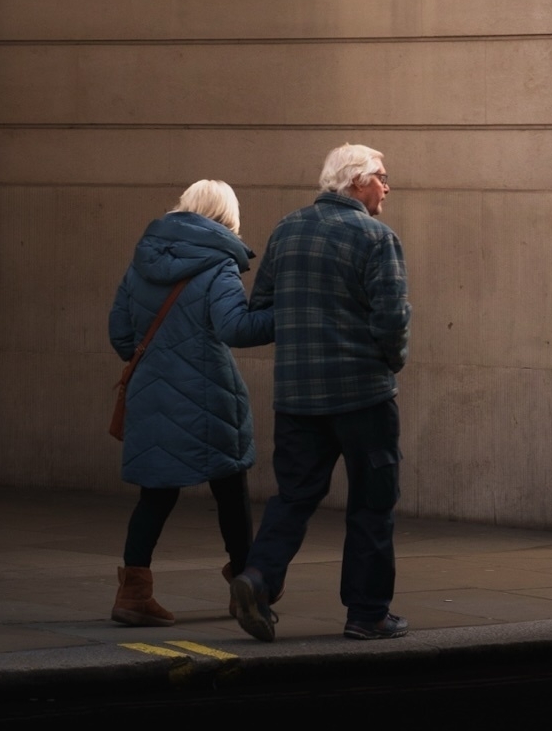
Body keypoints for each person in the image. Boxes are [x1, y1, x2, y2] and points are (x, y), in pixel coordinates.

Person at [230, 144, 410, 643]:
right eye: (382, 177)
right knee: (373, 504)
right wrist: (391, 361)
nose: (387, 187)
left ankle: (258, 578)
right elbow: (392, 319)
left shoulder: (287, 230)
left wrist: (300, 319)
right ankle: (367, 614)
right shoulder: (377, 238)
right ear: (356, 183)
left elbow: (260, 310)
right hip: (363, 397)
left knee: (293, 497)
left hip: (298, 397)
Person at [108, 179, 273, 627]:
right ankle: (244, 588)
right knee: (231, 492)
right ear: (226, 217)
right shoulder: (218, 266)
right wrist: (283, 314)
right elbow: (235, 329)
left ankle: (133, 594)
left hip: (151, 394)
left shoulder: (143, 260)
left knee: (155, 496)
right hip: (210, 396)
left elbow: (121, 335)